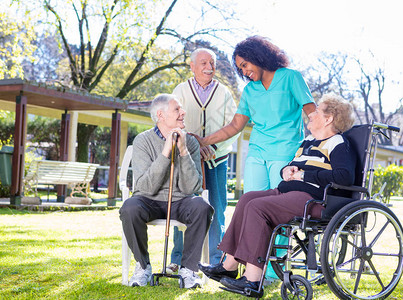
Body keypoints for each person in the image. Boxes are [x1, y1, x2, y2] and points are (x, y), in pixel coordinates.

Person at [198, 93, 356, 295]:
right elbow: (293, 166)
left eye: (317, 110)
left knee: (258, 207)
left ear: (329, 118)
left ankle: (253, 280)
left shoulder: (337, 143)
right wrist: (286, 171)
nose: (311, 113)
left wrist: (304, 175)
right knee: (247, 199)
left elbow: (344, 176)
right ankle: (229, 266)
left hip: (314, 200)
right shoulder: (308, 142)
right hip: (289, 193)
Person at [191, 35, 316, 280]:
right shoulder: (250, 90)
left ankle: (270, 270)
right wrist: (204, 141)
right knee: (248, 204)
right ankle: (235, 263)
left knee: (277, 210)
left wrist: (325, 141)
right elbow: (235, 125)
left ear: (259, 57)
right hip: (257, 151)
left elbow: (311, 112)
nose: (245, 72)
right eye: (240, 69)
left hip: (285, 152)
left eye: (246, 65)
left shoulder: (291, 78)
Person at [119, 94, 214, 288]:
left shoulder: (191, 143)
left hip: (181, 201)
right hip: (148, 200)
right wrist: (165, 152)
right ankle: (143, 266)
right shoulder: (142, 141)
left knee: (201, 206)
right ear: (161, 115)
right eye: (177, 109)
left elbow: (192, 188)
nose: (183, 113)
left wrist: (183, 151)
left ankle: (188, 270)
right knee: (129, 207)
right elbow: (145, 187)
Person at [166, 48, 239, 272]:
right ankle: (177, 259)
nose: (209, 67)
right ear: (192, 66)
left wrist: (213, 146)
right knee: (183, 207)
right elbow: (171, 121)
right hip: (186, 160)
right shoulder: (180, 90)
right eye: (203, 63)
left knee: (217, 208)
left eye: (212, 63)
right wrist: (191, 145)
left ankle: (217, 260)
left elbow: (234, 127)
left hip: (217, 159)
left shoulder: (224, 92)